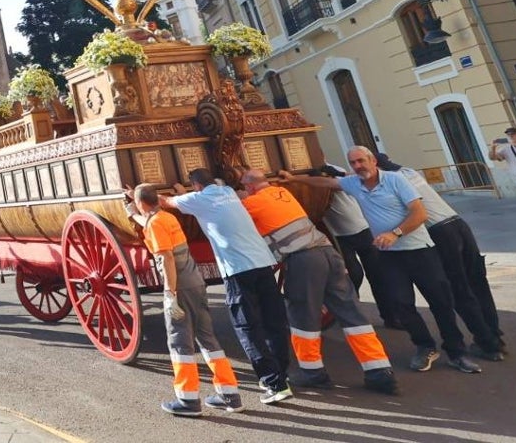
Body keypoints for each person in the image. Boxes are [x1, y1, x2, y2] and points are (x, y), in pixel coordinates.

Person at [281, 147, 483, 375]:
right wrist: (293, 178)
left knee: (441, 302)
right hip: (389, 256)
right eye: (353, 163)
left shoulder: (396, 180)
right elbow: (327, 184)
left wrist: (395, 233)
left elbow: (419, 213)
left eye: (361, 161)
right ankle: (424, 346)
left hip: (419, 251)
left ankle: (457, 352)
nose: (358, 166)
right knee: (401, 304)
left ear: (373, 160)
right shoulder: (354, 183)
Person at [238, 169, 399, 395]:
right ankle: (380, 371)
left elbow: (233, 213)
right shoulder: (282, 192)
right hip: (328, 253)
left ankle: (312, 372)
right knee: (352, 313)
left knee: (302, 315)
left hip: (303, 260)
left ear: (250, 187)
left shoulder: (252, 203)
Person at [159, 168, 294, 404]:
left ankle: (274, 383)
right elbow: (200, 197)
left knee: (247, 326)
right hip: (262, 262)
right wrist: (187, 193)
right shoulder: (228, 192)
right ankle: (282, 374)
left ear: (196, 186)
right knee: (274, 321)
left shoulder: (198, 199)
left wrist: (174, 194)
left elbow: (165, 202)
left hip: (237, 268)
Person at [128, 183, 243, 417]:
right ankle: (229, 394)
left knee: (180, 342)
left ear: (141, 204)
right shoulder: (166, 217)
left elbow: (167, 258)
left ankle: (188, 400)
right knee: (207, 339)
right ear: (158, 201)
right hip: (196, 282)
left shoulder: (157, 223)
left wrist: (170, 294)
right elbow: (150, 222)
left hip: (180, 286)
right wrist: (134, 212)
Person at [374, 154, 505, 358]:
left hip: (440, 232)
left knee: (459, 289)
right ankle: (495, 337)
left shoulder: (392, 182)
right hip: (458, 224)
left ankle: (487, 343)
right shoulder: (409, 171)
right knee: (478, 284)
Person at [314, 163, 398, 329]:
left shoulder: (336, 170)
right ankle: (354, 317)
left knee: (377, 275)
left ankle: (390, 316)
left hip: (361, 229)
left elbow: (348, 181)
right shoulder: (314, 175)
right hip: (339, 234)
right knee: (354, 274)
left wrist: (332, 175)